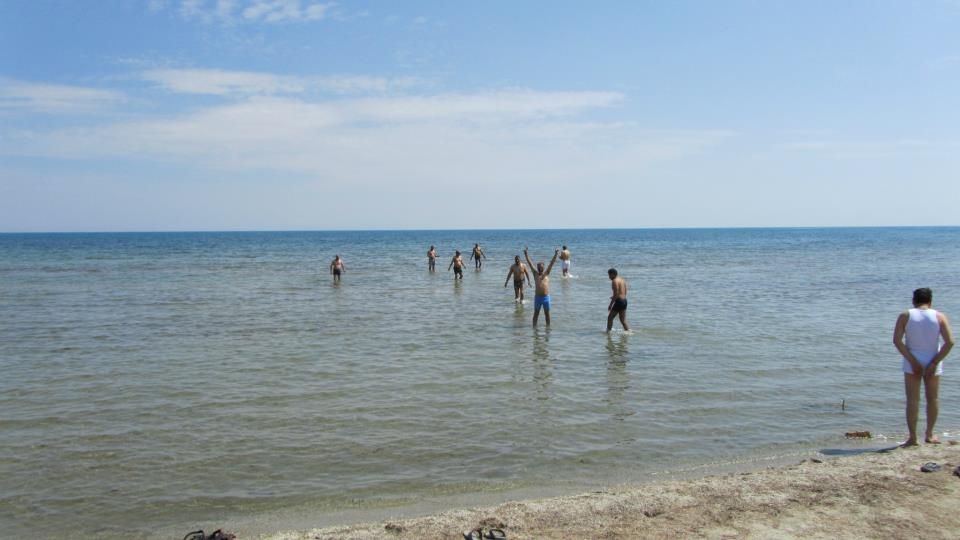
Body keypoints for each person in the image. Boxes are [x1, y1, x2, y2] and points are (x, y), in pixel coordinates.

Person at [893, 287, 954, 446]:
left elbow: (897, 341)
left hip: (912, 361)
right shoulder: (939, 316)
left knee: (912, 400)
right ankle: (929, 434)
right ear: (930, 301)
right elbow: (950, 342)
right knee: (932, 399)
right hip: (933, 360)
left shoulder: (905, 315)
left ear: (914, 300)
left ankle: (913, 437)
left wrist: (913, 361)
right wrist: (934, 362)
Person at [524, 246, 558, 327]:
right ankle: (534, 329)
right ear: (537, 268)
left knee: (547, 314)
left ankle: (548, 329)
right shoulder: (535, 274)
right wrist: (526, 254)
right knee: (536, 314)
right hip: (538, 298)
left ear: (543, 267)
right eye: (539, 266)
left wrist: (556, 254)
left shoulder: (547, 273)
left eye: (541, 266)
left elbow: (551, 264)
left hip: (546, 298)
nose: (540, 267)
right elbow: (530, 263)